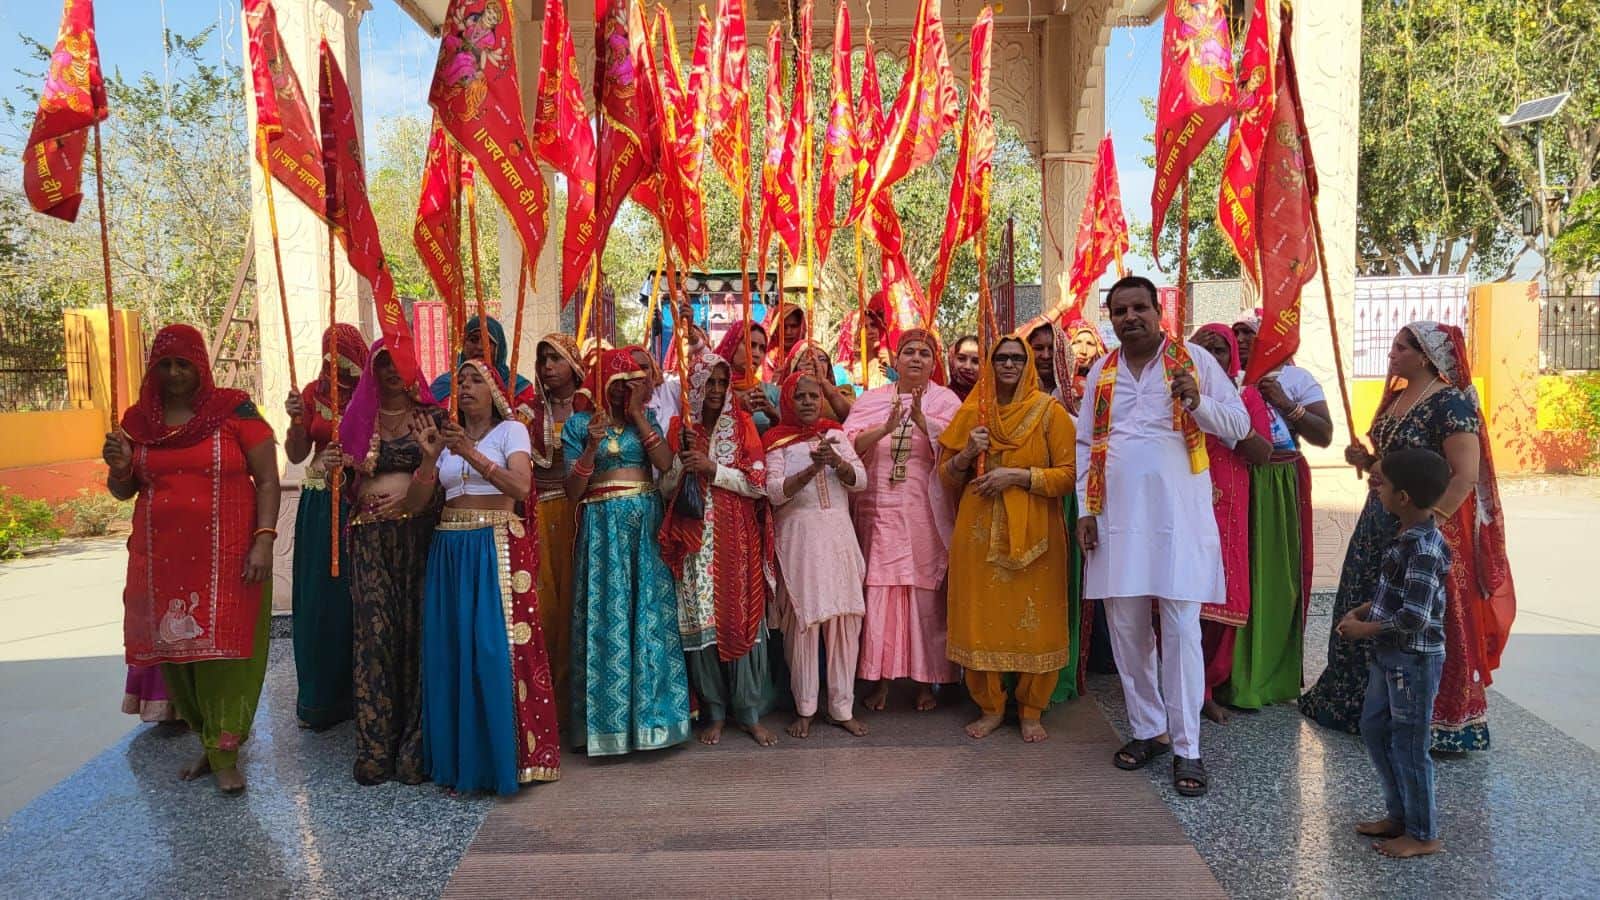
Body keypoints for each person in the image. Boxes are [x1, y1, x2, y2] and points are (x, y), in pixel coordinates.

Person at [1301, 322, 1516, 752]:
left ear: (1427, 355)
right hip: (1380, 520)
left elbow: (1464, 475)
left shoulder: (1449, 402)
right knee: (1366, 598)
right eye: (1395, 346)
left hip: (1424, 524)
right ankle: (1360, 707)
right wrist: (1370, 460)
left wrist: (1425, 525)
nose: (1392, 354)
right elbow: (1397, 461)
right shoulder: (1399, 398)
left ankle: (1431, 721)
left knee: (1410, 611)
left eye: (1402, 347)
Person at [1075, 277, 1250, 798]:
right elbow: (1086, 442)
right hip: (1115, 518)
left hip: (1178, 518)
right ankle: (1148, 728)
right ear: (1111, 317)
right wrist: (1086, 509)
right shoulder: (1101, 372)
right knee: (1126, 629)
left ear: (1159, 311)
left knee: (1180, 631)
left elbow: (1238, 425)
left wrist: (1198, 404)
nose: (1130, 317)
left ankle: (1187, 746)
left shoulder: (1194, 360)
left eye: (1139, 308)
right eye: (1120, 310)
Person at [102, 324, 280, 795]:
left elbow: (267, 479)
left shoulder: (234, 410)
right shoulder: (138, 422)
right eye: (166, 364)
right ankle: (207, 738)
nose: (176, 373)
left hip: (231, 557)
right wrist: (118, 467)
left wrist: (264, 540)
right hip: (161, 559)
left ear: (200, 364)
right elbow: (125, 490)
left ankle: (225, 751)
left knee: (230, 655)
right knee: (177, 656)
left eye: (184, 363)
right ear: (154, 369)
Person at [405, 359, 559, 793]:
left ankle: (505, 762)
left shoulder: (512, 432)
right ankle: (462, 766)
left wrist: (468, 452)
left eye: (477, 380)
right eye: (461, 381)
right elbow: (418, 503)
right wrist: (431, 457)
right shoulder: (443, 439)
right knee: (452, 652)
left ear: (494, 389)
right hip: (450, 548)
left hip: (494, 545)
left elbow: (522, 488)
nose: (467, 387)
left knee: (494, 651)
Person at [938, 336, 1077, 743]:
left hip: (1037, 533)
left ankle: (1032, 710)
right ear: (990, 363)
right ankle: (990, 707)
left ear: (1029, 363)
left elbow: (1069, 476)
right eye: (1001, 358)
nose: (1009, 365)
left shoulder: (1050, 413)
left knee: (1037, 622)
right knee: (981, 620)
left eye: (1018, 358)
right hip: (978, 532)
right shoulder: (974, 411)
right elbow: (946, 477)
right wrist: (966, 453)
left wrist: (1017, 476)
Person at [563, 350, 692, 755]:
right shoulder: (579, 423)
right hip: (601, 528)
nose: (624, 393)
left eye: (633, 385)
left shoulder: (647, 420)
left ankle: (654, 723)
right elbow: (572, 491)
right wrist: (590, 447)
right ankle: (608, 727)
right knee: (608, 617)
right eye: (618, 385)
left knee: (648, 616)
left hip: (645, 523)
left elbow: (666, 463)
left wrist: (638, 414)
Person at [659, 350, 781, 746]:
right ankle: (713, 711)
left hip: (736, 535)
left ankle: (747, 712)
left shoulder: (743, 425)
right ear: (693, 384)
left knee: (739, 619)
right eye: (707, 381)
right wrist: (681, 461)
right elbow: (663, 487)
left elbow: (758, 482)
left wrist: (715, 470)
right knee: (699, 622)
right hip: (694, 540)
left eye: (721, 382)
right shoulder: (680, 425)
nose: (714, 390)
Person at [1337, 448, 1452, 859]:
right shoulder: (1404, 536)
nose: (1377, 489)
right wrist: (1363, 610)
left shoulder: (1424, 547)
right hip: (1390, 657)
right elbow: (1393, 595)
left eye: (1382, 483)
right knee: (1374, 728)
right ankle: (1398, 815)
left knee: (1409, 744)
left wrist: (1364, 629)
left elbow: (1415, 618)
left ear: (1403, 496)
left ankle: (1423, 833)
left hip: (1414, 661)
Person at [341, 340, 443, 785]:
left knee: (417, 631)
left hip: (418, 536)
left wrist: (410, 492)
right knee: (375, 636)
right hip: (369, 540)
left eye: (399, 363)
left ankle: (415, 747)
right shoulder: (356, 417)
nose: (391, 372)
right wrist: (335, 468)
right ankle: (375, 747)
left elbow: (448, 479)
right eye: (381, 363)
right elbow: (340, 482)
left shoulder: (432, 417)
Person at [844, 328, 962, 711]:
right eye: (908, 352)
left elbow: (959, 449)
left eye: (924, 353)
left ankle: (927, 682)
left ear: (933, 362)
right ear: (895, 361)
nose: (915, 358)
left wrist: (925, 422)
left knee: (924, 593)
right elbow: (848, 446)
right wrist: (885, 428)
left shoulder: (945, 400)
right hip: (879, 512)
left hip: (925, 513)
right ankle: (880, 681)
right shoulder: (872, 399)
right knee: (880, 590)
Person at [763, 370, 870, 738]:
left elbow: (861, 479)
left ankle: (842, 708)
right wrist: (812, 468)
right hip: (800, 542)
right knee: (802, 627)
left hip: (839, 538)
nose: (808, 402)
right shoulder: (776, 442)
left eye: (813, 396)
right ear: (787, 401)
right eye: (800, 397)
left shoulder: (836, 435)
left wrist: (836, 462)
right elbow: (774, 492)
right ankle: (805, 708)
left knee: (845, 624)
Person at [282, 323, 367, 731]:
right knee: (319, 596)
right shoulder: (314, 393)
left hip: (359, 500)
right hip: (319, 501)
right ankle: (318, 698)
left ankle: (360, 693)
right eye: (331, 355)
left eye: (345, 356)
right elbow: (298, 454)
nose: (338, 365)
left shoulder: (371, 392)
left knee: (356, 597)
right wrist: (297, 422)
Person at [1189, 325, 1274, 725]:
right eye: (1202, 349)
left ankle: (1207, 688)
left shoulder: (1246, 396)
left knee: (1223, 605)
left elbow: (1262, 452)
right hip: (1185, 508)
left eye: (1220, 350)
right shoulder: (1175, 395)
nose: (1212, 358)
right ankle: (1181, 688)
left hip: (1229, 514)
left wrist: (1220, 417)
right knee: (1180, 602)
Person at [524, 333, 588, 726]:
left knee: (578, 609)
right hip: (541, 516)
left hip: (583, 516)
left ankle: (579, 709)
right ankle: (548, 711)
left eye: (556, 358)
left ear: (574, 365)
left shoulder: (592, 406)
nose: (548, 366)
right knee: (546, 611)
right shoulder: (527, 413)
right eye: (543, 358)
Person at [1232, 316, 1334, 449]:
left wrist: (1286, 404)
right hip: (1236, 467)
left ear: (1267, 337)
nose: (1239, 339)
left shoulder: (1297, 378)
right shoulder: (1227, 378)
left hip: (1284, 466)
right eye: (1235, 333)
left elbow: (1324, 437)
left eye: (1248, 332)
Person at [428, 315, 536, 408]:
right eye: (473, 340)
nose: (479, 347)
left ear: (499, 349)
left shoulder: (519, 388)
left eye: (487, 342)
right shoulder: (444, 385)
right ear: (464, 345)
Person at [716, 321, 781, 432]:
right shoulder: (714, 387)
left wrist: (773, 415)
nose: (756, 353)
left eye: (762, 349)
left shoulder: (772, 393)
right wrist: (733, 406)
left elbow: (788, 438)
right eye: (751, 345)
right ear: (733, 345)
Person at [785, 339, 855, 419]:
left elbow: (853, 417)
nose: (815, 363)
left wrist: (822, 381)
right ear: (795, 366)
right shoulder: (784, 395)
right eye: (807, 358)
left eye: (821, 359)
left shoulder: (845, 391)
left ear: (828, 367)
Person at [947, 334, 981, 401]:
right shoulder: (939, 397)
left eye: (975, 361)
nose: (967, 367)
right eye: (961, 359)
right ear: (952, 360)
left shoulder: (992, 400)